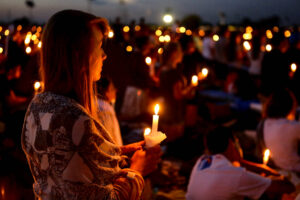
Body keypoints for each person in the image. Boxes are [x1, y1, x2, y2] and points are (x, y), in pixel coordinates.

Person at [21, 10, 161, 199]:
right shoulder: (75, 119)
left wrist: (116, 152)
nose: (104, 55)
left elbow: (71, 170)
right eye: (99, 46)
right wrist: (137, 170)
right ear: (78, 55)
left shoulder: (37, 105)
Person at [186, 127, 295, 200]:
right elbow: (287, 187)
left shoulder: (202, 161)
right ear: (231, 144)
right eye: (237, 142)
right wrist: (277, 174)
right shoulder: (234, 174)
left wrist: (241, 162)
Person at [260, 88, 300, 172]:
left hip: (279, 169)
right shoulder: (292, 126)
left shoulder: (265, 123)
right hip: (295, 171)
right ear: (290, 105)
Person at [97, 77, 122, 146]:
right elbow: (110, 134)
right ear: (106, 92)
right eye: (112, 89)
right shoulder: (105, 109)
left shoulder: (98, 104)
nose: (116, 91)